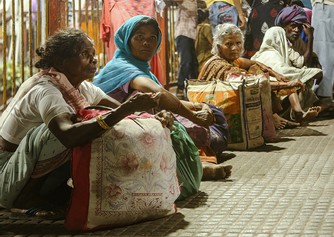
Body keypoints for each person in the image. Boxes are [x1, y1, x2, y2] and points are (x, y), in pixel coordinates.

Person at [0, 29, 167, 218]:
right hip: (6, 174)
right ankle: (25, 197)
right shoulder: (46, 89)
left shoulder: (83, 88)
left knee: (100, 123)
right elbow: (68, 135)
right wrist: (124, 110)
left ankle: (53, 191)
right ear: (62, 61)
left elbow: (122, 112)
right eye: (84, 55)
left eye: (93, 55)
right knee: (67, 129)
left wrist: (151, 118)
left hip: (25, 168)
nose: (93, 60)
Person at [93, 15, 232, 181]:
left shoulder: (142, 68)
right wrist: (194, 116)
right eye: (139, 37)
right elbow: (158, 93)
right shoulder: (122, 67)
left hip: (138, 122)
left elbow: (168, 97)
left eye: (152, 38)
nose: (147, 43)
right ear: (126, 41)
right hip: (118, 128)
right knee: (151, 102)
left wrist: (197, 105)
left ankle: (195, 161)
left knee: (212, 110)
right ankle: (194, 164)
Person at [198, 23, 319, 126]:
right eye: (229, 44)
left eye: (238, 43)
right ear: (219, 47)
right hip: (215, 108)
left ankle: (275, 116)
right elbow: (253, 84)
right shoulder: (220, 65)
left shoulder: (232, 60)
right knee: (255, 84)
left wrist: (274, 73)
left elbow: (253, 62)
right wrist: (286, 84)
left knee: (255, 69)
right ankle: (272, 118)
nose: (235, 48)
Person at [252, 4, 334, 119]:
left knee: (300, 88)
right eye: (293, 26)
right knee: (292, 85)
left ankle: (318, 108)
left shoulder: (291, 44)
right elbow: (287, 72)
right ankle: (300, 112)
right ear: (282, 30)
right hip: (274, 98)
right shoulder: (269, 54)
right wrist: (311, 72)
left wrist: (313, 58)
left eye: (300, 27)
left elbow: (303, 59)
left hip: (283, 93)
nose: (297, 30)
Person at [165, 0, 199, 99]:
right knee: (186, 61)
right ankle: (180, 88)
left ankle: (194, 89)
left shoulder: (195, 2)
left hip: (191, 36)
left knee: (193, 63)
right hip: (183, 34)